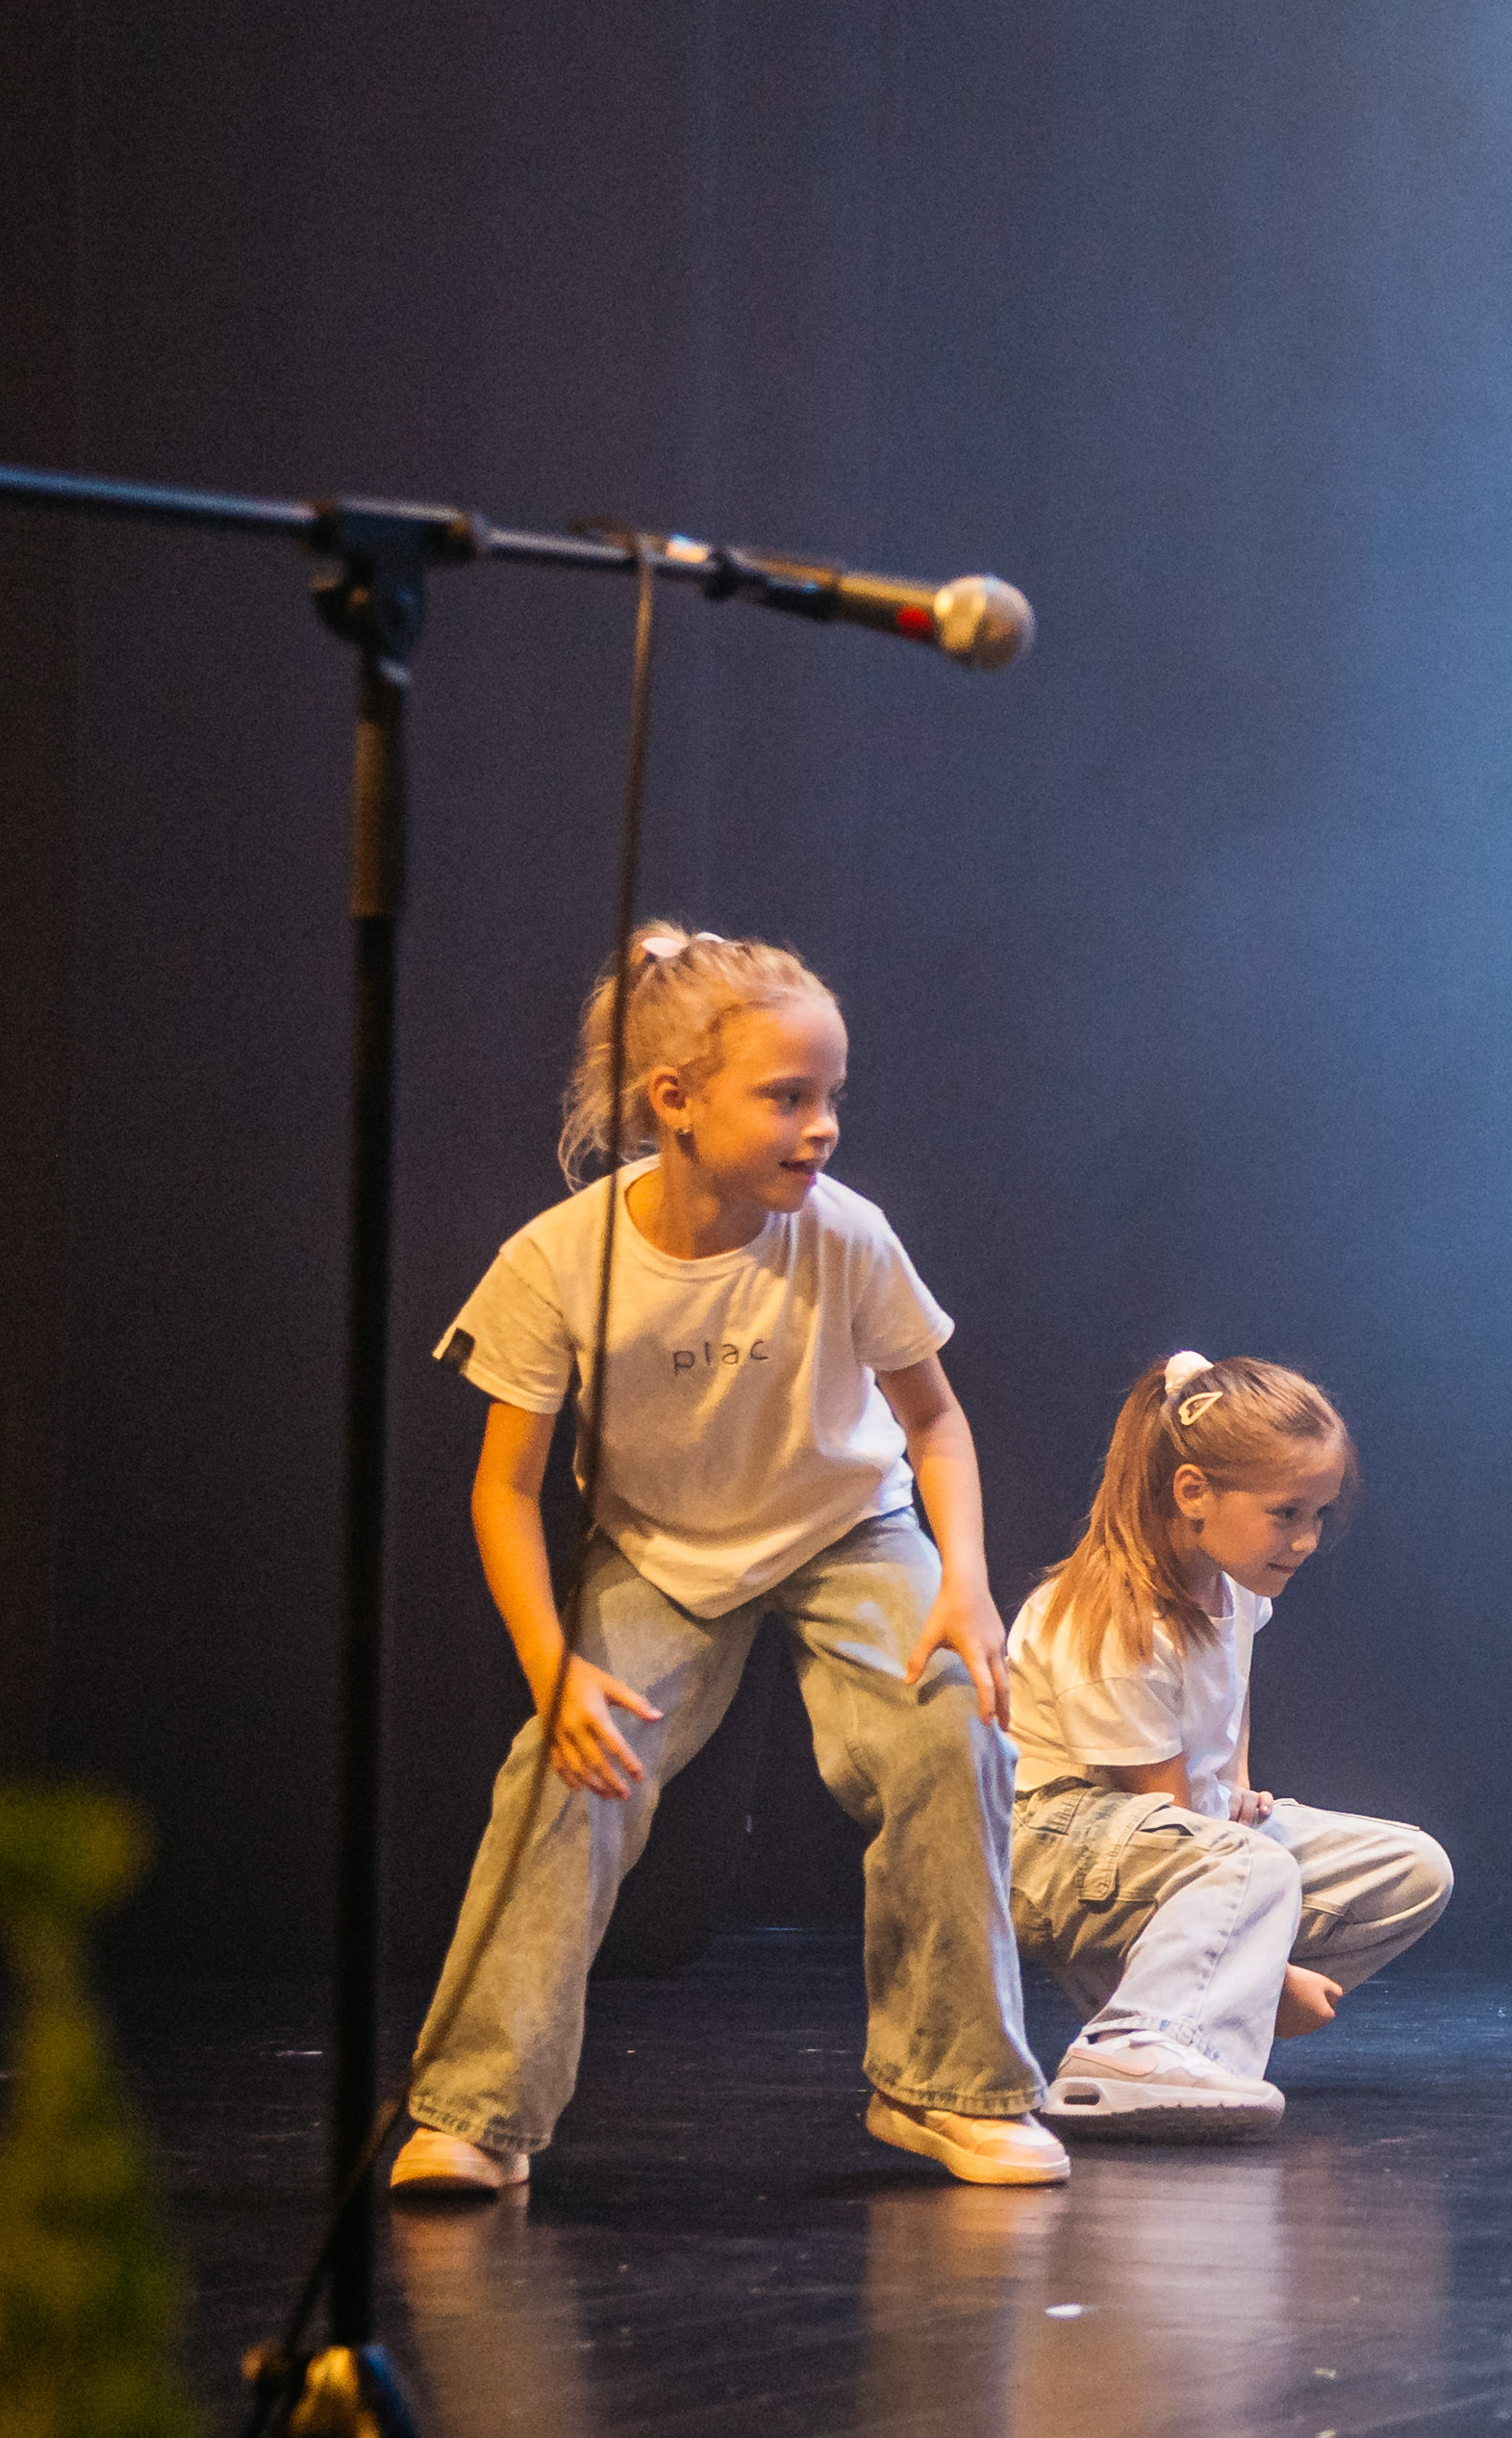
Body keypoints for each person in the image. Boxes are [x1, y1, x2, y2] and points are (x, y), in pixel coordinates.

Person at [393, 926, 1054, 2195]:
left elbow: (934, 1423)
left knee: (950, 1721)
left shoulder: (846, 1234)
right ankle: (479, 2110)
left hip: (846, 1526)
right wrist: (551, 1665)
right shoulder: (559, 1259)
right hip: (662, 1548)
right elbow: (504, 1488)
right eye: (788, 1097)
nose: (823, 1127)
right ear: (676, 1101)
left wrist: (965, 1581)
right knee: (564, 1770)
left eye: (832, 1097)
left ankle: (948, 2087)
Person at [999, 1352, 1454, 2139]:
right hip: (1053, 1847)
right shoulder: (1118, 1620)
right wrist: (1275, 1977)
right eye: (1286, 1514)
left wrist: (1238, 1781)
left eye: (1319, 1515)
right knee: (1251, 1864)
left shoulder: (1234, 1588)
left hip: (1172, 1839)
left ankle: (1193, 2022)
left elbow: (1228, 1698)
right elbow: (1160, 1817)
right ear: (1192, 1492)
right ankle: (1132, 2044)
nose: (1306, 1540)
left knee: (1413, 1868)